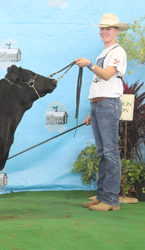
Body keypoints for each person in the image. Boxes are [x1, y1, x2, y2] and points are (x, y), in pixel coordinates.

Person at [75, 14, 129, 211]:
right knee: (103, 153)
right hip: (99, 105)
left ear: (116, 31)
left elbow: (106, 75)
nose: (104, 32)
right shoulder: (103, 53)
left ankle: (111, 200)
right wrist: (92, 110)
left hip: (108, 105)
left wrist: (89, 64)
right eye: (102, 28)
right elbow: (99, 83)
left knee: (110, 152)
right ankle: (102, 196)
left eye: (108, 28)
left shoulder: (118, 51)